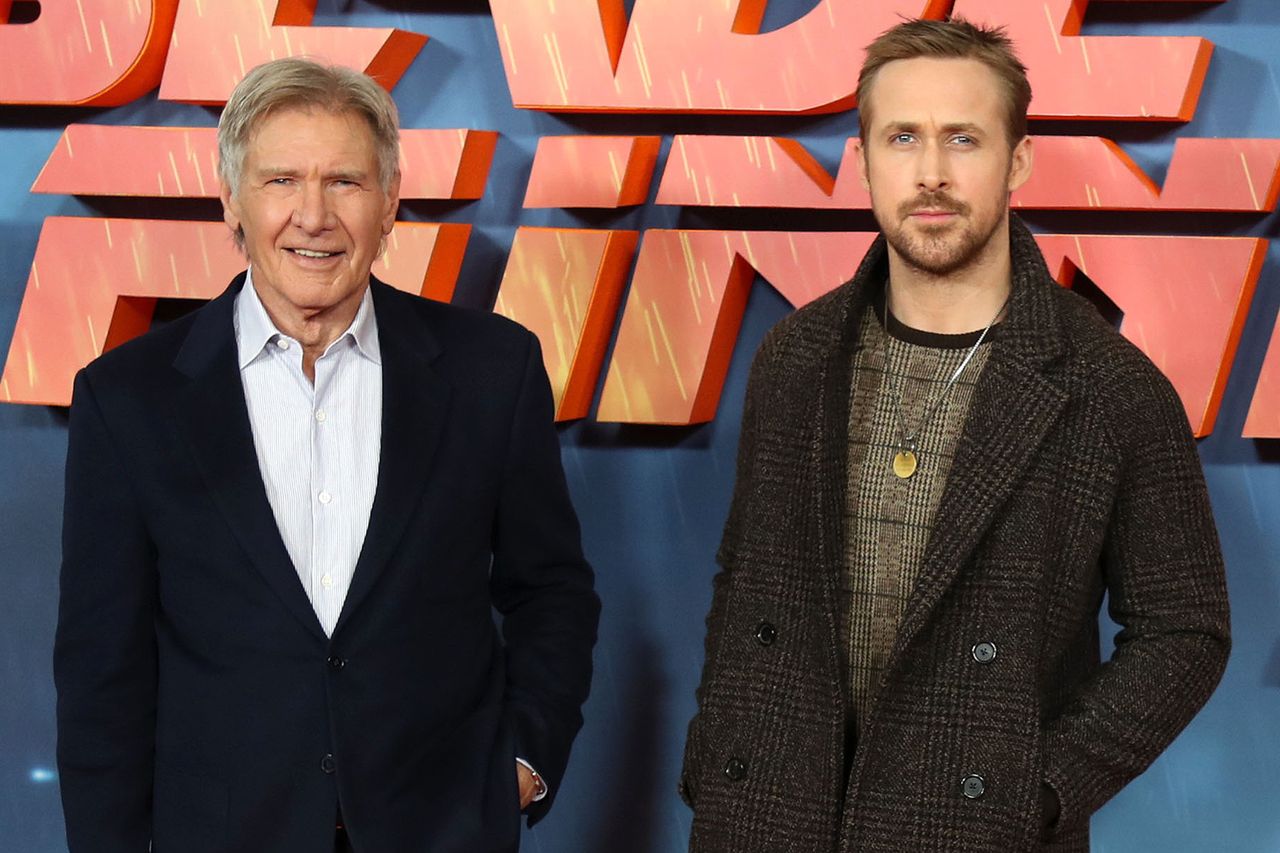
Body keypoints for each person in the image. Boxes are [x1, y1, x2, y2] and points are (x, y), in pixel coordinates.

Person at [679, 18, 1229, 853]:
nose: (931, 172)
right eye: (902, 137)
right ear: (863, 161)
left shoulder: (1111, 386)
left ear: (1018, 160)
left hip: (974, 827)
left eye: (963, 139)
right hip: (768, 818)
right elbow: (747, 576)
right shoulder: (796, 355)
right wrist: (719, 747)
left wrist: (1038, 789)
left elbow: (1186, 629)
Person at [54, 57, 599, 853]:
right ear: (231, 200)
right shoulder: (129, 399)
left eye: (344, 181)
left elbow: (552, 590)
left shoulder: (492, 371)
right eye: (281, 180)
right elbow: (102, 671)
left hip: (440, 832)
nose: (313, 216)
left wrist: (521, 759)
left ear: (390, 202)